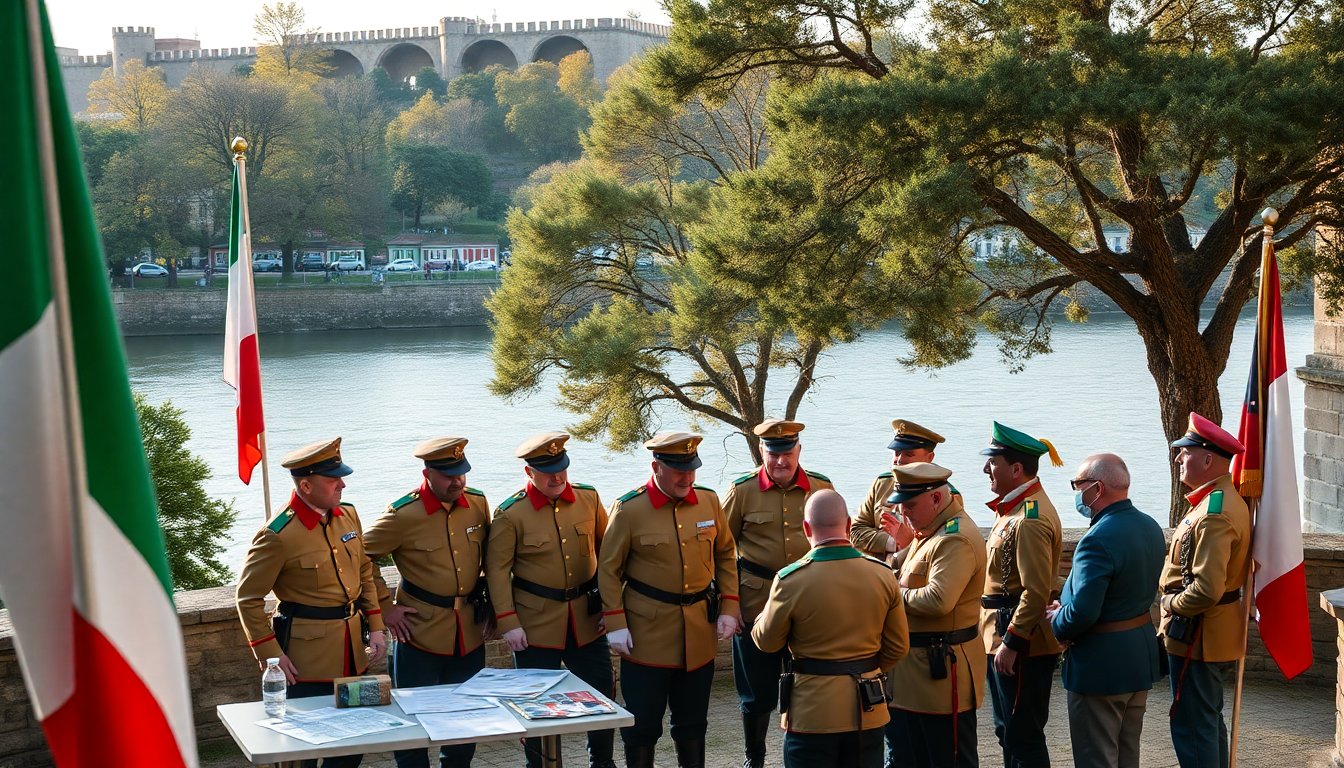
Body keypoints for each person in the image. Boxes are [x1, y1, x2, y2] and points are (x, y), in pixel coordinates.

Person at [235, 437, 387, 768]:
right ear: (305, 485)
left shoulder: (348, 516)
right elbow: (247, 598)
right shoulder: (278, 535)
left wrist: (376, 628)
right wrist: (270, 654)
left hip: (351, 653)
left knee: (354, 740)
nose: (342, 484)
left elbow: (364, 571)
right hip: (306, 660)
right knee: (303, 748)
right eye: (333, 480)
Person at [598, 431, 742, 768]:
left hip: (698, 633)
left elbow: (725, 555)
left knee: (692, 724)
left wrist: (729, 608)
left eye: (692, 469)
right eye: (679, 470)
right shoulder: (629, 509)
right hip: (646, 637)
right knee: (642, 726)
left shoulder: (708, 501)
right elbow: (608, 570)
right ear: (656, 467)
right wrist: (615, 623)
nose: (688, 478)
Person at [751, 489, 909, 768]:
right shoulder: (883, 575)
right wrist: (865, 667)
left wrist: (762, 616)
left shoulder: (790, 580)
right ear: (848, 525)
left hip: (812, 713)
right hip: (867, 707)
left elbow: (767, 642)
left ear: (806, 528)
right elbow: (898, 647)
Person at [487, 432, 617, 768]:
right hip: (535, 627)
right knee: (535, 708)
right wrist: (508, 622)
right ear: (530, 473)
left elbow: (607, 556)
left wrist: (612, 608)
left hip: (587, 622)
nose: (557, 477)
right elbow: (497, 572)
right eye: (548, 471)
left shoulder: (588, 498)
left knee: (603, 695)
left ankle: (602, 763)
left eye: (562, 468)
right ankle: (540, 765)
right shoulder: (510, 513)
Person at [363, 437, 492, 768]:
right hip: (419, 633)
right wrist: (384, 608)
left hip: (469, 631)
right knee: (412, 723)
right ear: (428, 473)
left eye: (462, 473)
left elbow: (493, 559)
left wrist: (495, 608)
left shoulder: (477, 503)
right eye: (449, 475)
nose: (458, 482)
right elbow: (359, 557)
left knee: (465, 722)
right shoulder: (402, 515)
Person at [725, 418, 834, 768]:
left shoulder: (821, 487)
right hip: (754, 607)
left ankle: (801, 755)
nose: (781, 462)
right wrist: (729, 604)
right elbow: (720, 552)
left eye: (788, 453)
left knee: (806, 690)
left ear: (799, 451)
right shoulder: (741, 491)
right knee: (755, 695)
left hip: (809, 609)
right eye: (774, 455)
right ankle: (753, 757)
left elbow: (835, 545)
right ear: (762, 452)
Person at [1046, 454, 1165, 768]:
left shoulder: (1097, 539)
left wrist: (1058, 620)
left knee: (1096, 757)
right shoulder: (1150, 526)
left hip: (1100, 665)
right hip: (1138, 658)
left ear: (1096, 489)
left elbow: (1084, 612)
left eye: (1077, 485)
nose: (1075, 492)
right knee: (1127, 754)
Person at [1161, 413, 1251, 768]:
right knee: (1207, 723)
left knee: (1194, 728)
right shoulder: (1214, 500)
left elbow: (1206, 589)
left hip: (1199, 636)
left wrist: (1169, 602)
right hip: (1207, 634)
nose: (1179, 458)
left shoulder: (1214, 512)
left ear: (1208, 459)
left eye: (1186, 452)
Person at [883, 462, 987, 768]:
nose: (905, 514)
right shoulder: (929, 532)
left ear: (937, 499)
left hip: (940, 678)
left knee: (947, 759)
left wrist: (889, 596)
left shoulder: (954, 538)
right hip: (914, 675)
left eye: (911, 505)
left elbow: (938, 599)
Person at [979, 422, 1064, 768]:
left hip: (1021, 643)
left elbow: (1035, 591)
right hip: (1006, 635)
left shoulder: (1029, 518)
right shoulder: (1015, 510)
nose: (986, 469)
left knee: (1022, 735)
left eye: (993, 462)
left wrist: (1011, 643)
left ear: (1016, 469)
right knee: (1009, 732)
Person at [851, 419, 947, 560]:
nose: (899, 460)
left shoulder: (944, 494)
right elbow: (856, 531)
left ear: (929, 458)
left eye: (909, 454)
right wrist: (892, 543)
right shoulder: (882, 484)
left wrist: (909, 542)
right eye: (896, 453)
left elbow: (944, 547)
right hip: (882, 574)